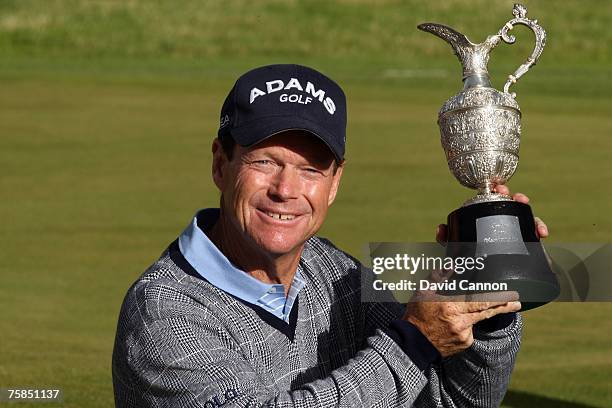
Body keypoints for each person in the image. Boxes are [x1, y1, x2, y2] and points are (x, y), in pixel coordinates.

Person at [112, 64, 547, 407]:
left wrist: (485, 298)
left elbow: (447, 400)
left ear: (335, 183)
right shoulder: (165, 315)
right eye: (264, 162)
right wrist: (413, 342)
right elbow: (408, 357)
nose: (286, 190)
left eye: (310, 169)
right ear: (220, 165)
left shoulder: (331, 272)